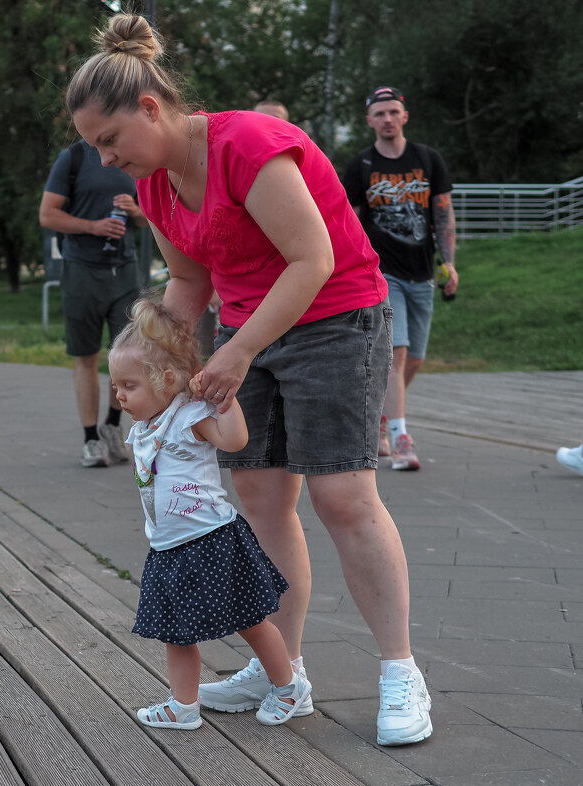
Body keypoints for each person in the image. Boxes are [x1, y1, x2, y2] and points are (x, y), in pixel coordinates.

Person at [66, 13, 432, 746]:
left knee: (341, 494)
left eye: (110, 141)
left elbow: (312, 260)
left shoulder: (247, 144)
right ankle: (283, 673)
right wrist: (151, 369)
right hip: (247, 329)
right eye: (93, 149)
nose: (107, 161)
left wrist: (233, 353)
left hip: (335, 317)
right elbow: (189, 282)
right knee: (261, 493)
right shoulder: (160, 188)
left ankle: (399, 670)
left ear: (148, 107)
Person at [109, 296, 310, 730]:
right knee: (174, 631)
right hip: (167, 547)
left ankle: (289, 685)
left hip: (213, 540)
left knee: (250, 621)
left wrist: (224, 400)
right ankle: (183, 706)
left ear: (165, 380)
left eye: (128, 386)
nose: (119, 395)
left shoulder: (189, 415)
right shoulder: (145, 426)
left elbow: (235, 441)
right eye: (116, 387)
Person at [342, 87, 459, 471]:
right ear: (369, 121)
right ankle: (401, 439)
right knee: (397, 353)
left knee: (415, 359)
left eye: (393, 112)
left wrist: (450, 263)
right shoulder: (361, 166)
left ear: (404, 116)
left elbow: (443, 216)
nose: (387, 119)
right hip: (382, 272)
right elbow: (351, 222)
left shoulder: (427, 159)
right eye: (380, 113)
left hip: (423, 272)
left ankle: (378, 417)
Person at [40, 139, 148, 468]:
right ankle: (90, 438)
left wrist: (135, 211)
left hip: (125, 271)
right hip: (83, 270)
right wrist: (93, 226)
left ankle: (113, 427)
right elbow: (48, 215)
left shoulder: (134, 153)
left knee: (128, 355)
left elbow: (150, 218)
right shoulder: (72, 157)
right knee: (87, 356)